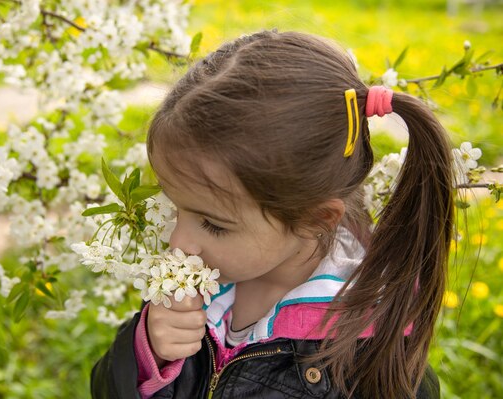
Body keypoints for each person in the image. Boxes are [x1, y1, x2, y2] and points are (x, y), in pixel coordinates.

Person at [91, 30, 453, 398]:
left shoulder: (368, 346)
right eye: (173, 206)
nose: (177, 241)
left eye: (213, 224)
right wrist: (149, 354)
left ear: (316, 220)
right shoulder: (194, 280)